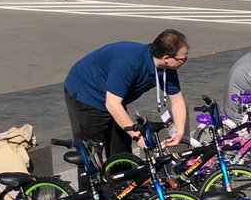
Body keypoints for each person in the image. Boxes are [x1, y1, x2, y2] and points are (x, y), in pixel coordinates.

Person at [64, 29, 189, 160]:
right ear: (166, 58)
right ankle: (91, 178)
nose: (185, 61)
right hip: (87, 93)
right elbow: (112, 104)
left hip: (114, 97)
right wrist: (140, 139)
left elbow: (177, 101)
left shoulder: (167, 69)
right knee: (92, 153)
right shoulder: (130, 62)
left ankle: (122, 176)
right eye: (183, 59)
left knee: (122, 148)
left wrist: (179, 132)